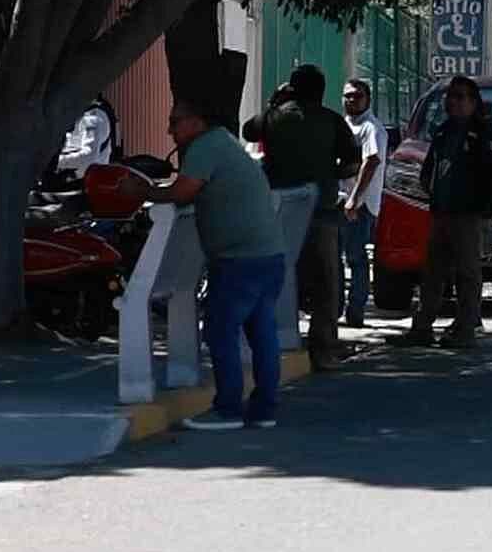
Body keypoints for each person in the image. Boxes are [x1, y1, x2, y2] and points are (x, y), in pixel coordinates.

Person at [117, 100, 286, 430]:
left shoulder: (205, 147)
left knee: (220, 330)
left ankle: (228, 409)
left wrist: (142, 192)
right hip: (267, 255)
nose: (170, 130)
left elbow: (184, 191)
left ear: (196, 121)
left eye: (175, 122)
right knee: (261, 332)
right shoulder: (224, 142)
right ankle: (264, 408)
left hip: (239, 259)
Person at [244, 65, 360, 369]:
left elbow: (247, 131)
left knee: (277, 278)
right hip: (320, 210)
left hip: (277, 214)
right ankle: (323, 349)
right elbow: (352, 163)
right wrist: (327, 174)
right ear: (321, 92)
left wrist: (274, 101)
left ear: (291, 89)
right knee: (325, 283)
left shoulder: (275, 117)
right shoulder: (332, 120)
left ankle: (272, 341)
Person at [393, 76, 492, 349]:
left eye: (459, 97)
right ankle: (422, 327)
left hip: (468, 215)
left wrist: (486, 209)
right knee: (433, 272)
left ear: (473, 101)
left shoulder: (483, 135)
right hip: (441, 212)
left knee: (467, 273)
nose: (452, 102)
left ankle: (466, 327)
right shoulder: (444, 131)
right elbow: (430, 169)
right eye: (450, 97)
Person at [339, 78, 388, 328]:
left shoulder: (371, 128)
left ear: (367, 99)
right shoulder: (345, 125)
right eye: (347, 96)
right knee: (337, 257)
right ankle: (337, 307)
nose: (351, 100)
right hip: (340, 200)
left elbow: (372, 161)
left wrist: (355, 198)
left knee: (356, 258)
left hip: (360, 205)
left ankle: (355, 311)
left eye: (356, 96)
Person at [44, 95, 119, 189]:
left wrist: (53, 162)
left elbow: (88, 157)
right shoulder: (79, 114)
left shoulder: (93, 116)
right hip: (71, 181)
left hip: (85, 187)